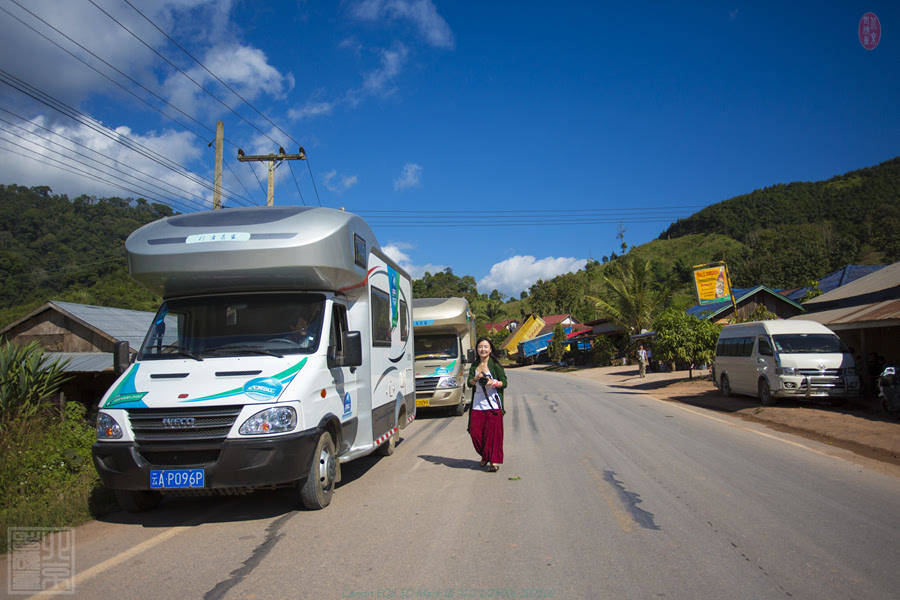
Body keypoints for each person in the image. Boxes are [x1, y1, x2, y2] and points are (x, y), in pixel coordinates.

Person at [467, 337, 508, 472]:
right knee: (475, 432)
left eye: (485, 347)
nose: (482, 349)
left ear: (490, 350)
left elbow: (504, 383)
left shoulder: (495, 365)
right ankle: (485, 455)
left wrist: (493, 383)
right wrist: (475, 378)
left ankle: (494, 461)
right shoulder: (474, 366)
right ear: (477, 349)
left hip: (493, 405)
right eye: (480, 347)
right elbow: (469, 384)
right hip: (477, 405)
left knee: (494, 434)